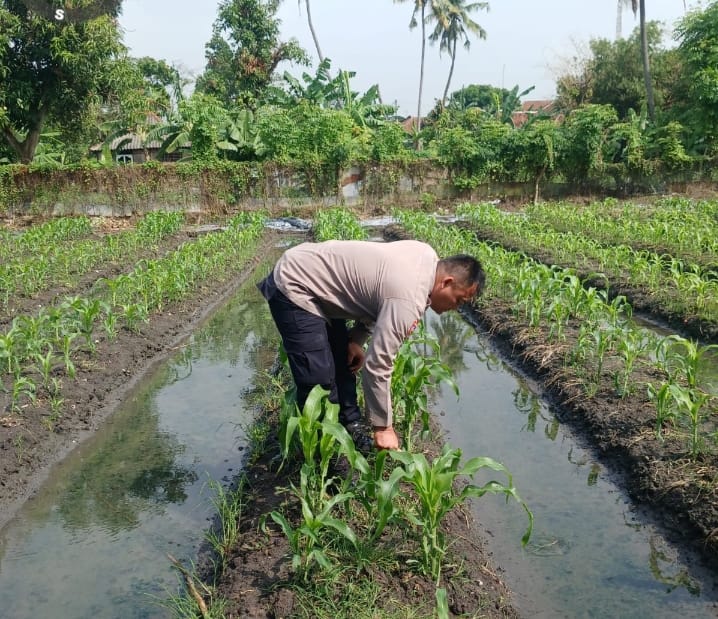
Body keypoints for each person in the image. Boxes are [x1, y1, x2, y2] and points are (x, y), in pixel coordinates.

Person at [257, 239, 484, 452]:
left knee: (343, 360)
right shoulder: (409, 296)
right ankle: (321, 451)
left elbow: (379, 296)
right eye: (459, 300)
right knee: (318, 379)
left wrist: (356, 339)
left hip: (320, 279)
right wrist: (383, 427)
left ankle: (350, 425)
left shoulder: (427, 257)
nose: (456, 308)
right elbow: (378, 364)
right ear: (446, 282)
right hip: (298, 281)